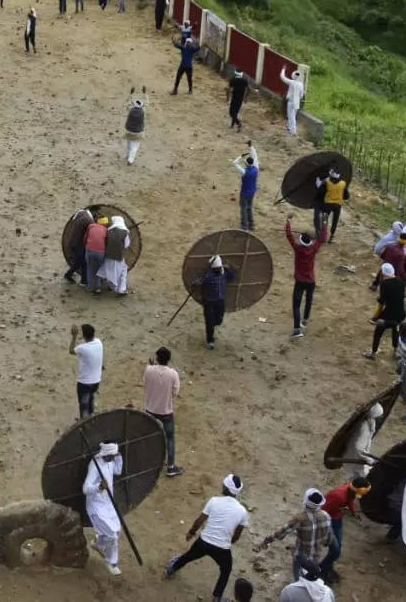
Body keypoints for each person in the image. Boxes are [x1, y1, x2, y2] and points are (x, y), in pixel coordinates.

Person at [165, 474, 249, 602]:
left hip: (204, 542)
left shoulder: (214, 500)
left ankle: (172, 569)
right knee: (226, 570)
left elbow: (200, 520)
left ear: (225, 488)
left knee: (188, 556)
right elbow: (237, 535)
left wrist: (191, 532)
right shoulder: (242, 511)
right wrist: (227, 542)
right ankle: (217, 597)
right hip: (222, 548)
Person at [256, 489, 334, 580]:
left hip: (302, 554)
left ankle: (298, 580)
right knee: (310, 573)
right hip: (316, 556)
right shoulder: (326, 516)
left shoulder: (300, 518)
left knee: (297, 567)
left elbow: (282, 533)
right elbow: (329, 539)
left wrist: (268, 540)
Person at [84, 440, 125, 576]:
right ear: (106, 453)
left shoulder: (110, 462)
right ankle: (111, 562)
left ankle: (97, 543)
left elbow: (118, 471)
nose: (112, 458)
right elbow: (85, 488)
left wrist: (118, 456)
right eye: (112, 455)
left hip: (108, 503)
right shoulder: (95, 466)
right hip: (96, 505)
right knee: (112, 534)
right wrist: (99, 487)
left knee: (117, 530)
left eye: (114, 456)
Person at [319, 476, 370, 584]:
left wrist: (353, 512)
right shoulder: (338, 496)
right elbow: (322, 511)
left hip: (337, 519)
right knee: (336, 551)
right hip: (329, 522)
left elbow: (350, 500)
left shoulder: (350, 492)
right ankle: (322, 570)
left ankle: (327, 567)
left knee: (337, 548)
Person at [286, 216, 328, 340]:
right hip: (311, 280)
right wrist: (325, 224)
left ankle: (297, 329)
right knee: (309, 299)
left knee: (296, 305)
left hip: (299, 281)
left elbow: (289, 236)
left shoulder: (297, 249)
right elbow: (322, 239)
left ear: (301, 241)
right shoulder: (313, 249)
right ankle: (304, 321)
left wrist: (288, 222)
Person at [144, 347, 184, 476]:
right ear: (169, 359)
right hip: (166, 411)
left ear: (156, 358)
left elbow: (145, 383)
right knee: (170, 438)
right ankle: (171, 467)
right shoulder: (173, 374)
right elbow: (175, 392)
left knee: (149, 436)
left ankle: (147, 464)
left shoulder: (148, 369)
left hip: (150, 410)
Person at [192, 255, 235, 350]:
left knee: (219, 319)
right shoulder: (208, 277)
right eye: (217, 268)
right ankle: (210, 340)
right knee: (209, 322)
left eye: (219, 268)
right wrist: (195, 282)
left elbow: (232, 277)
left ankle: (213, 326)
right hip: (209, 302)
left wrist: (229, 269)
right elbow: (196, 282)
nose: (219, 269)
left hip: (220, 300)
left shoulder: (224, 274)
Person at [363, 263, 405, 360]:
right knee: (396, 331)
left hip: (388, 315)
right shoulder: (401, 282)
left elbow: (381, 303)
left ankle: (373, 353)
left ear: (383, 273)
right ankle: (396, 351)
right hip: (400, 313)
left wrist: (376, 317)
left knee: (378, 332)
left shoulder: (384, 284)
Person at [69, 323, 103, 419]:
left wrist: (74, 336)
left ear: (84, 336)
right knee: (91, 401)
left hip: (84, 383)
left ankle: (85, 426)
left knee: (84, 407)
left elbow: (71, 350)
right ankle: (91, 419)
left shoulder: (82, 348)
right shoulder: (99, 342)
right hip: (96, 380)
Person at [96, 215, 133, 295]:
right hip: (118, 256)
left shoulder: (109, 230)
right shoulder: (125, 232)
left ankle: (100, 286)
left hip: (108, 255)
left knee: (105, 271)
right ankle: (121, 289)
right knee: (123, 271)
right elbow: (126, 245)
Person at [314, 169, 349, 242]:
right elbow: (346, 196)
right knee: (335, 221)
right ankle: (331, 236)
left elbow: (320, 191)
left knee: (325, 220)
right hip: (338, 205)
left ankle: (323, 235)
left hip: (328, 204)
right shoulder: (343, 183)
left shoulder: (327, 182)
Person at [63, 207, 94, 286]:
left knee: (79, 261)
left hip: (73, 242)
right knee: (82, 262)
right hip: (78, 245)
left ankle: (78, 278)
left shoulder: (81, 214)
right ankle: (79, 279)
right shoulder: (88, 220)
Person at [234, 142, 259, 232]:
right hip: (252, 192)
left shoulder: (244, 171)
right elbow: (255, 156)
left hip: (244, 193)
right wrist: (251, 147)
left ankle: (244, 226)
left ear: (246, 163)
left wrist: (241, 156)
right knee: (249, 207)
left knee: (243, 209)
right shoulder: (256, 168)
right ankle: (251, 225)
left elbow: (235, 163)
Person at [83, 216, 109, 294]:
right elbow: (107, 242)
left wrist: (86, 246)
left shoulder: (91, 226)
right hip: (100, 253)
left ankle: (90, 289)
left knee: (90, 270)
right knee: (99, 270)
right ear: (105, 224)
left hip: (89, 250)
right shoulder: (106, 230)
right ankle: (98, 288)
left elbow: (85, 239)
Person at [171, 29, 201, 95]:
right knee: (189, 78)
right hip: (189, 66)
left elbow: (175, 44)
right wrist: (197, 42)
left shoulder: (183, 48)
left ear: (186, 42)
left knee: (178, 77)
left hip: (183, 65)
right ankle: (190, 90)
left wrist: (173, 39)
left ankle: (175, 90)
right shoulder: (192, 49)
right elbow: (198, 48)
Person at [280, 68, 306, 135]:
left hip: (291, 102)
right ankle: (289, 127)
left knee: (291, 116)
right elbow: (302, 94)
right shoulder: (301, 84)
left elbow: (282, 77)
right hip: (297, 101)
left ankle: (293, 131)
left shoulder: (291, 82)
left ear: (293, 75)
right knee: (293, 115)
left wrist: (283, 69)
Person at [124, 89, 146, 165]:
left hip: (129, 131)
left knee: (129, 145)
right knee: (135, 147)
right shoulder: (143, 111)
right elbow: (147, 103)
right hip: (137, 132)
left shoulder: (130, 109)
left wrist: (131, 94)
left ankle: (127, 156)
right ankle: (130, 160)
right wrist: (144, 93)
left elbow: (128, 103)